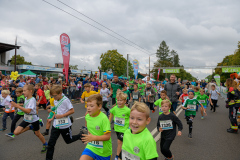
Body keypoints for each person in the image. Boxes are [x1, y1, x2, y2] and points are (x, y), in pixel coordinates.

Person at [46, 85, 82, 160]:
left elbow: (72, 110)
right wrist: (52, 117)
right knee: (50, 144)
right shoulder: (55, 99)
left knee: (68, 141)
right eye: (52, 96)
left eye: (55, 96)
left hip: (65, 125)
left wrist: (62, 115)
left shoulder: (66, 100)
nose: (53, 97)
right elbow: (56, 109)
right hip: (56, 125)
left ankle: (80, 135)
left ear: (60, 93)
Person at [10, 84, 48, 153]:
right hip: (26, 118)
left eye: (24, 91)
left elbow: (28, 110)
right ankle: (31, 127)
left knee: (38, 134)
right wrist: (15, 105)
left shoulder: (32, 99)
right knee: (16, 132)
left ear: (30, 91)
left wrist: (17, 106)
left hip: (33, 119)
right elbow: (24, 107)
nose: (23, 92)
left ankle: (45, 144)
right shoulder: (26, 98)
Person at [80, 94, 112, 160]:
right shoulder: (87, 116)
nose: (88, 108)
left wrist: (94, 138)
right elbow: (87, 127)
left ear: (99, 106)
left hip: (104, 151)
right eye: (87, 105)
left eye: (91, 106)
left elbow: (107, 136)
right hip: (91, 147)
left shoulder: (104, 118)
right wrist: (88, 136)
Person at [109, 91, 130, 160]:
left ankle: (119, 156)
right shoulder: (115, 108)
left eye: (121, 100)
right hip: (117, 129)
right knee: (121, 143)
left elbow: (132, 117)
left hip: (124, 129)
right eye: (118, 100)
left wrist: (130, 126)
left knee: (119, 141)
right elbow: (111, 113)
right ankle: (120, 154)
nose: (119, 102)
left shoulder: (127, 110)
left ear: (125, 101)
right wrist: (108, 123)